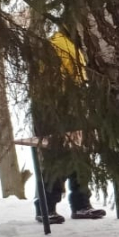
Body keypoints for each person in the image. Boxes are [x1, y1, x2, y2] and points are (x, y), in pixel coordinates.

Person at [31, 32, 105, 223]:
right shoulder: (58, 44)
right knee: (57, 157)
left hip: (72, 104)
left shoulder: (76, 44)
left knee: (80, 154)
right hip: (55, 106)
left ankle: (80, 205)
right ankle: (46, 207)